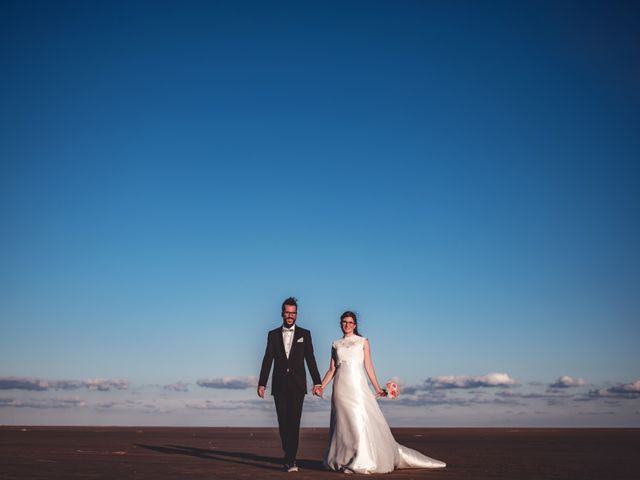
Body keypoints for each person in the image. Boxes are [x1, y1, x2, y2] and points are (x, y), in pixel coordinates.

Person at [320, 311, 446, 474]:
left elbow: (369, 366)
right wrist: (321, 386)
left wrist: (377, 387)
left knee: (359, 421)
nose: (347, 325)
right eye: (344, 322)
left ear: (355, 325)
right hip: (340, 387)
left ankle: (362, 459)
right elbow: (332, 369)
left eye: (350, 322)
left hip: (357, 386)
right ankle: (343, 459)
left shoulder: (363, 341)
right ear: (340, 323)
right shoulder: (335, 344)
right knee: (343, 424)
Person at [258, 297, 323, 472]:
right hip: (279, 385)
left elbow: (310, 359)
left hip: (297, 385)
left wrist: (317, 381)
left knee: (294, 423)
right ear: (282, 313)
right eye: (287, 312)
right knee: (283, 423)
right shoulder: (272, 334)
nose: (290, 316)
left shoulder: (305, 334)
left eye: (293, 313)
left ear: (296, 314)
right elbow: (267, 359)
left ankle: (291, 459)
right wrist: (262, 383)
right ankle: (288, 453)